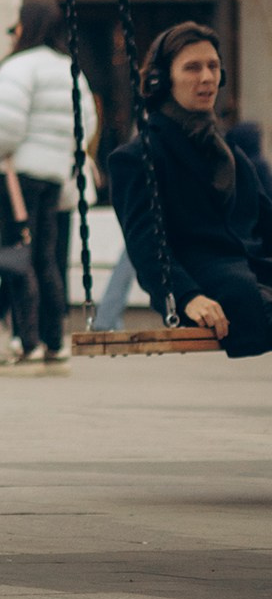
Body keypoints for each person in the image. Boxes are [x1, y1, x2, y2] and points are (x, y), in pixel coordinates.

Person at [108, 23, 272, 359]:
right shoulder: (139, 157)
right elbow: (145, 245)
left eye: (213, 66)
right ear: (161, 80)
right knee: (247, 298)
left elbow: (265, 221)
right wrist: (185, 296)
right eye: (192, 68)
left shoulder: (231, 153)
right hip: (204, 283)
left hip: (251, 272)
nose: (207, 78)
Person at [0, 0, 97, 367]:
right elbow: (87, 123)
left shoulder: (18, 67)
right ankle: (53, 340)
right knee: (47, 258)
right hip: (54, 175)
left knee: (17, 256)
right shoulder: (71, 69)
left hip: (19, 177)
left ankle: (25, 340)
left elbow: (3, 127)